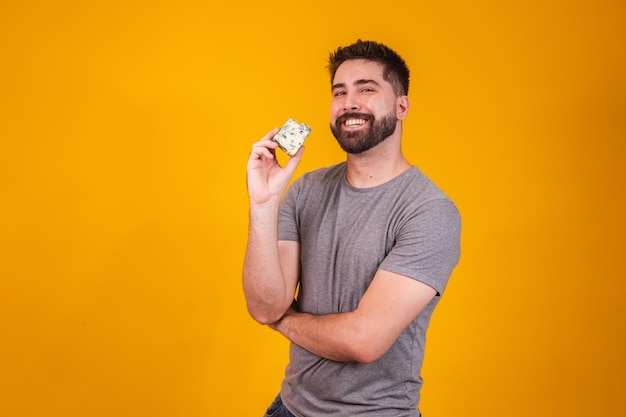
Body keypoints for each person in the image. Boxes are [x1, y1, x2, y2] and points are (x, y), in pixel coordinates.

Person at [243, 39, 461, 417]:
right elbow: (264, 305)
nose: (349, 103)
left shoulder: (429, 212)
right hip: (290, 408)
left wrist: (286, 320)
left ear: (402, 106)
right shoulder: (306, 191)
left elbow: (364, 341)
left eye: (367, 89)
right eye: (339, 92)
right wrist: (263, 204)